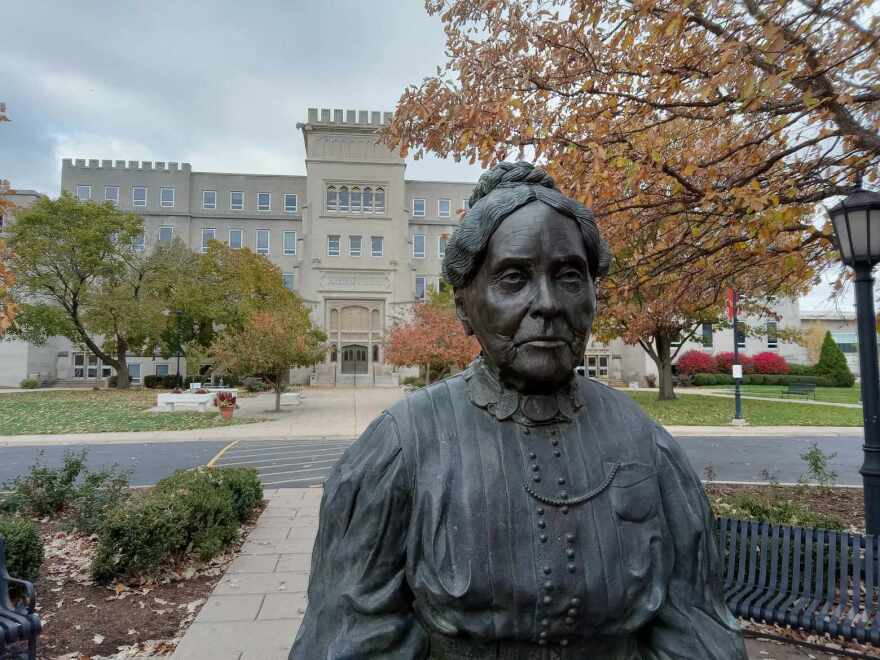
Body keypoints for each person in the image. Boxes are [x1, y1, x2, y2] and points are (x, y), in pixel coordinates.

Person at [290, 162, 746, 659]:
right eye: (513, 278)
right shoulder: (400, 448)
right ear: (465, 305)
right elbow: (349, 641)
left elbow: (698, 636)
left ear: (594, 293)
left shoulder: (646, 444)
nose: (548, 303)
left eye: (570, 276)